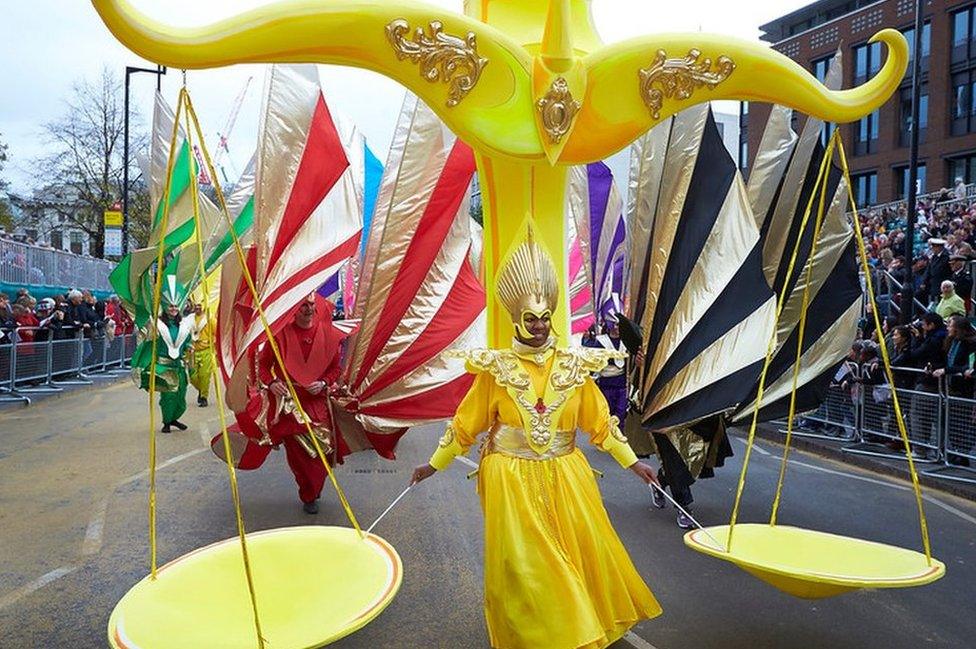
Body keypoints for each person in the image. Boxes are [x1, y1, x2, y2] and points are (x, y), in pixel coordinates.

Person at [411, 237, 661, 649]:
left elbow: (601, 424)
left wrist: (635, 463)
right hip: (510, 478)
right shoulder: (496, 369)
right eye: (532, 319)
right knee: (527, 564)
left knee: (577, 552)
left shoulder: (574, 365)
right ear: (517, 319)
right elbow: (465, 426)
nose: (541, 326)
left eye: (546, 317)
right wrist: (434, 464)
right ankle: (539, 634)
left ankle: (572, 627)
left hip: (566, 475)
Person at [236, 294, 348, 514]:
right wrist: (272, 383)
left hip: (317, 404)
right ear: (294, 309)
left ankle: (314, 487)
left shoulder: (327, 334)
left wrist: (324, 382)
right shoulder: (278, 335)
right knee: (299, 457)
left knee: (321, 453)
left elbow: (336, 369)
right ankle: (307, 493)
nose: (307, 309)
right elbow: (264, 364)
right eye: (302, 305)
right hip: (290, 405)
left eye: (311, 306)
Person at [130, 277, 193, 433]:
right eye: (170, 306)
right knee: (168, 396)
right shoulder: (157, 325)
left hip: (178, 366)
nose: (173, 308)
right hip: (163, 366)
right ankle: (166, 421)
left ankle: (174, 419)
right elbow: (148, 339)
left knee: (180, 397)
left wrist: (189, 348)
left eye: (175, 306)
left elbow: (187, 342)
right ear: (165, 306)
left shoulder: (184, 325)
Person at [188, 302, 214, 407]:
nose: (198, 307)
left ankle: (203, 397)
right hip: (192, 351)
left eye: (200, 305)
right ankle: (201, 389)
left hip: (205, 351)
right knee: (192, 376)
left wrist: (212, 343)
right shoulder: (189, 319)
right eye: (196, 305)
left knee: (204, 375)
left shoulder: (210, 319)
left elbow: (217, 333)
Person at [923, 239, 951, 307]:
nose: (932, 249)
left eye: (933, 247)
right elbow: (929, 269)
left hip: (941, 283)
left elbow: (939, 269)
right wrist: (924, 281)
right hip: (933, 284)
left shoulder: (946, 257)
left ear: (939, 247)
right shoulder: (934, 257)